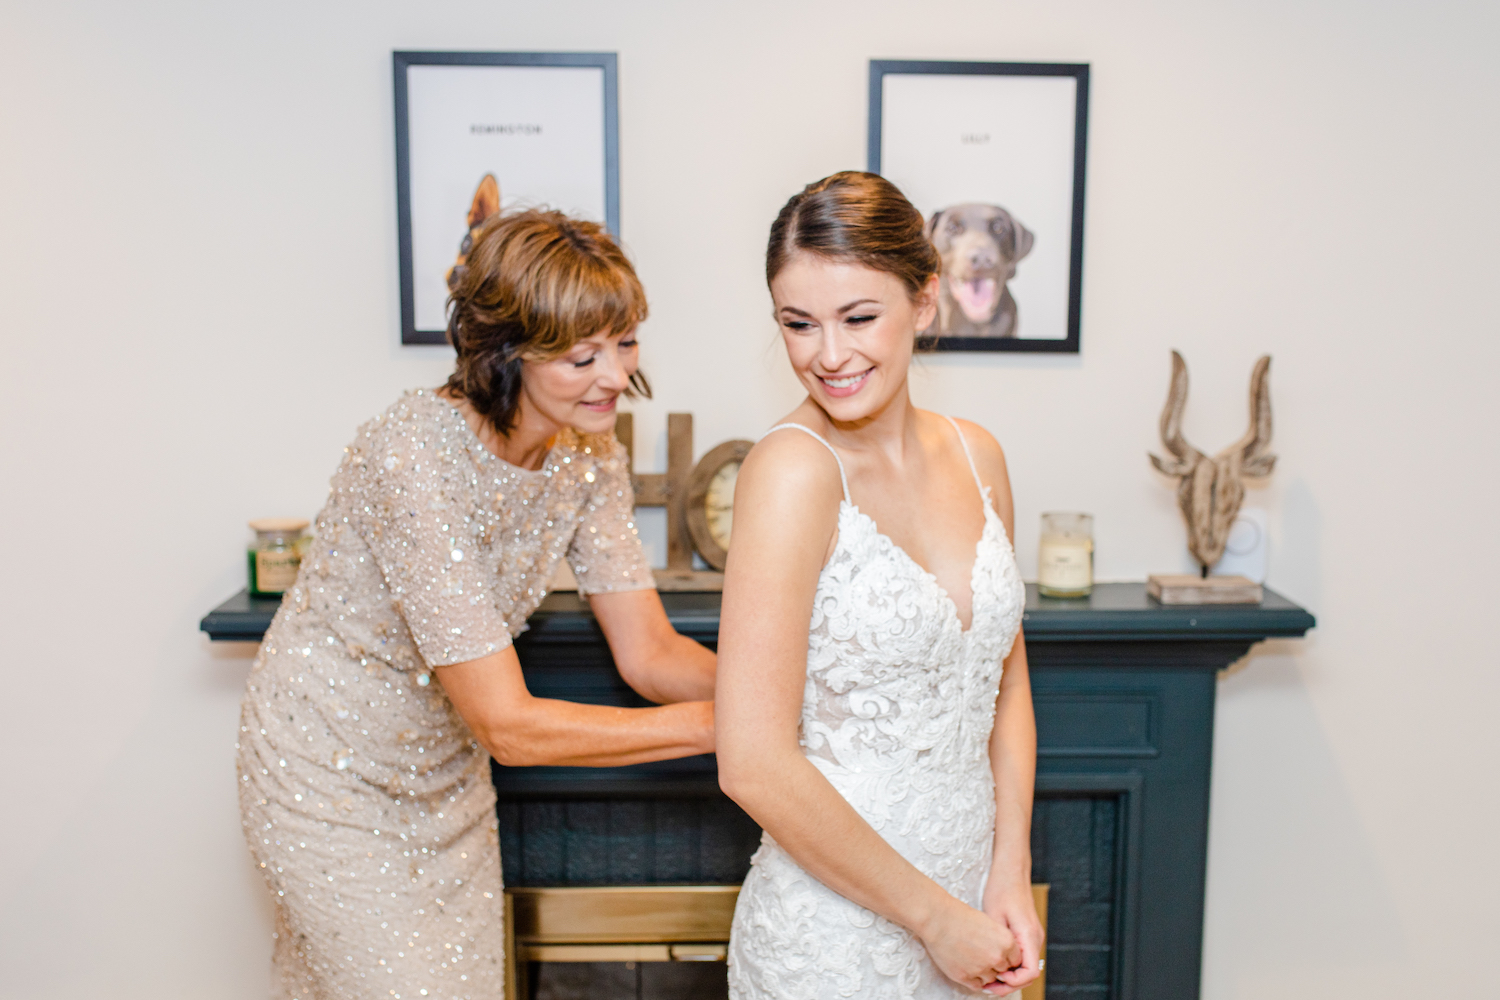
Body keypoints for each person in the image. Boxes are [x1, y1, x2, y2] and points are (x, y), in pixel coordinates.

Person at [236, 209, 716, 999]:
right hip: (324, 772)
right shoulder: (411, 454)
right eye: (580, 355)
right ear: (508, 352)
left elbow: (650, 653)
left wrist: (774, 695)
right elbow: (509, 724)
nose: (614, 375)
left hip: (444, 773)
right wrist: (722, 727)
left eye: (624, 342)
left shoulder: (590, 457)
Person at [717, 172, 1043, 998]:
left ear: (925, 302)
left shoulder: (981, 456)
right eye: (798, 324)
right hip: (835, 937)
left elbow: (1004, 688)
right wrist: (934, 920)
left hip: (972, 913)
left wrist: (1007, 878)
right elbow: (751, 763)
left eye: (859, 317)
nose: (829, 354)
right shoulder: (790, 471)